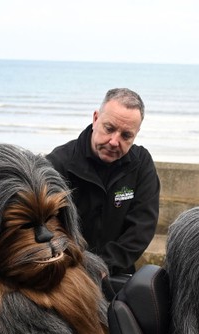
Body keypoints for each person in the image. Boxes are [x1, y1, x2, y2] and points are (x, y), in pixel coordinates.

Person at [47, 88, 160, 277]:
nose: (114, 141)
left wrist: (103, 265)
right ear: (95, 118)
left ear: (136, 133)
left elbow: (142, 227)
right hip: (65, 272)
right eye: (109, 129)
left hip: (116, 273)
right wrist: (75, 264)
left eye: (126, 135)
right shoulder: (58, 163)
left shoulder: (141, 164)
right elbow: (45, 225)